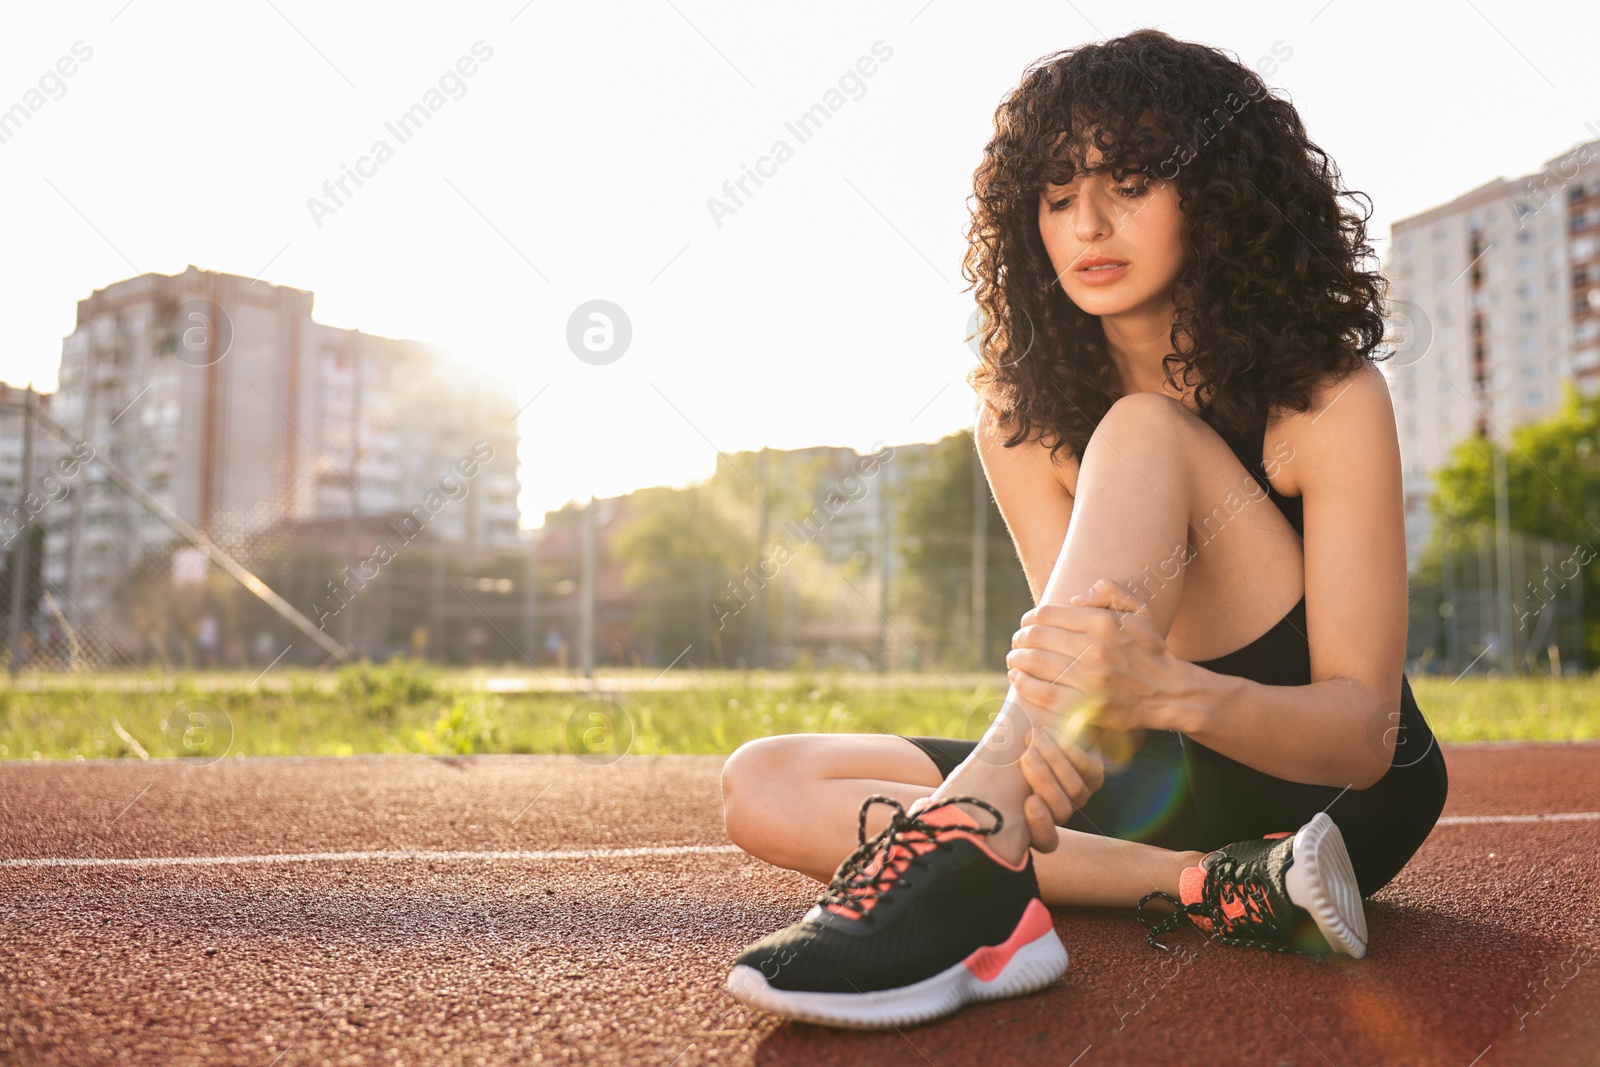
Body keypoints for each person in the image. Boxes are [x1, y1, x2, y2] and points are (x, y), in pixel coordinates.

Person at [718, 28, 1449, 1030]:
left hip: (1330, 799)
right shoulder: (1019, 419)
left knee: (1145, 428)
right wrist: (1070, 737)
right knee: (763, 782)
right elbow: (1077, 684)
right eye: (1057, 195)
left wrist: (1169, 690)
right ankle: (1211, 886)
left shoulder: (1324, 395)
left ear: (1219, 195)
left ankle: (979, 850)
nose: (1088, 224)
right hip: (1169, 802)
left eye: (1132, 183)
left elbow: (1364, 736)